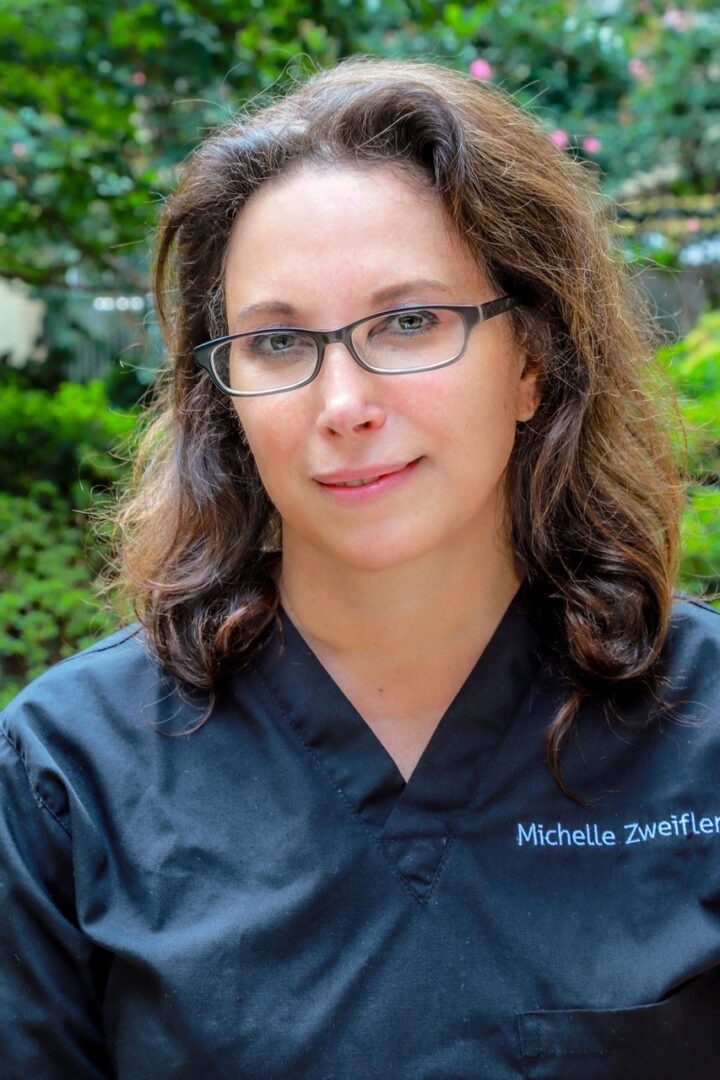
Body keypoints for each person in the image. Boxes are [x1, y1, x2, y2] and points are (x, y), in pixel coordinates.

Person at [1, 57, 719, 1080]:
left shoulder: (707, 728)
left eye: (410, 322)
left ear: (533, 360)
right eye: (280, 341)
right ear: (227, 400)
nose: (344, 403)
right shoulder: (66, 777)